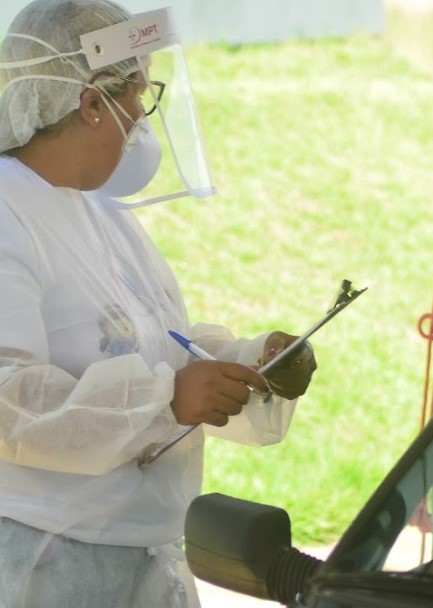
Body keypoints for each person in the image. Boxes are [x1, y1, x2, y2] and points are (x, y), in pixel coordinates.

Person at [0, 1, 318, 606]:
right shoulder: (7, 214)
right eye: (140, 97)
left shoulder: (98, 210)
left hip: (140, 557)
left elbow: (155, 340)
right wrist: (166, 400)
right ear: (92, 104)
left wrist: (250, 361)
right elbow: (8, 401)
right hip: (47, 565)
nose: (142, 122)